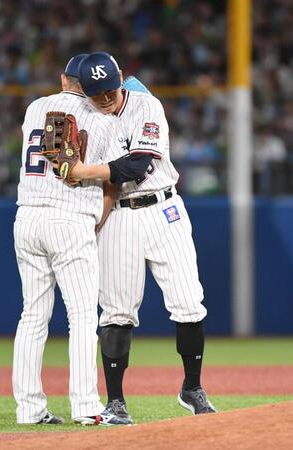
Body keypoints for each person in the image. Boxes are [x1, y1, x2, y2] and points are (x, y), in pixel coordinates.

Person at [71, 52, 217, 422]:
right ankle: (116, 402)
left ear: (120, 77)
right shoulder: (84, 117)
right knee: (117, 311)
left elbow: (138, 165)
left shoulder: (146, 104)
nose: (105, 98)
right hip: (119, 216)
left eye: (109, 89)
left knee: (188, 301)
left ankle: (193, 388)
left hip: (164, 209)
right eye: (95, 93)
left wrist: (82, 171)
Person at [12, 53, 130, 426]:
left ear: (66, 80)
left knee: (32, 315)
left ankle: (29, 409)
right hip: (70, 216)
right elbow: (112, 178)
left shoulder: (35, 108)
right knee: (80, 316)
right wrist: (98, 217)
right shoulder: (103, 119)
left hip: (27, 215)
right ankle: (86, 406)